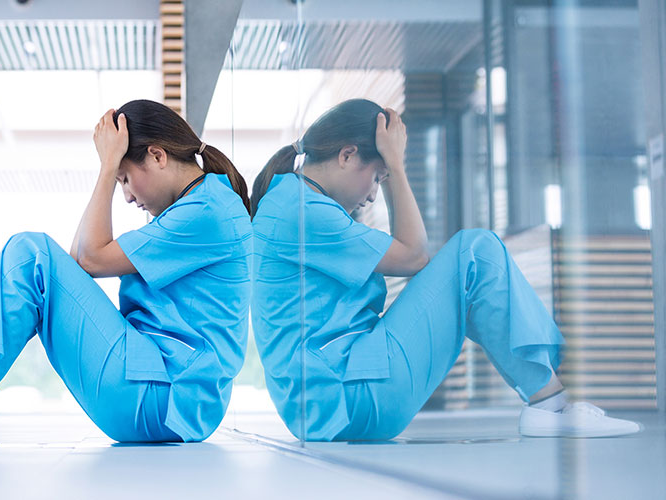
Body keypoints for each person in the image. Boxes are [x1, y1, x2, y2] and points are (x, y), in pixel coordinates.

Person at [249, 98, 641, 441]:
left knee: (471, 259)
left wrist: (388, 168)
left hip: (333, 400)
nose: (371, 195)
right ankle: (552, 405)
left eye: (382, 181)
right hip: (351, 395)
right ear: (347, 155)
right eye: (375, 178)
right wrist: (398, 169)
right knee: (477, 252)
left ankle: (550, 399)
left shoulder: (294, 204)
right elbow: (415, 256)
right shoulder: (303, 212)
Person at [0, 99, 252, 444]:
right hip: (158, 391)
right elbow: (78, 259)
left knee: (30, 251)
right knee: (34, 256)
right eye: (119, 183)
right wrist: (111, 168)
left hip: (162, 396)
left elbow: (86, 259)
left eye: (125, 179)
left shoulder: (207, 212)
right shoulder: (197, 208)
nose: (128, 196)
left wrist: (105, 168)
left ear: (157, 155)